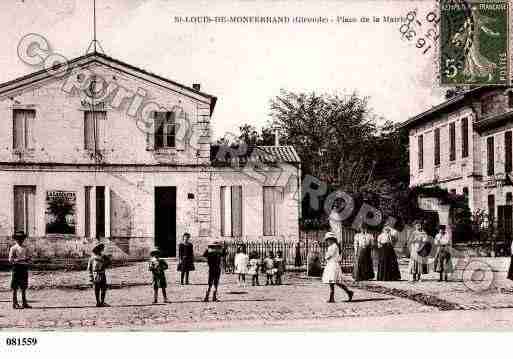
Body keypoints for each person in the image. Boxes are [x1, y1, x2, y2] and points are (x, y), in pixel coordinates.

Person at [322, 232, 354, 303]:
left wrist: (326, 256)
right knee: (333, 281)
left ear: (332, 239)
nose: (327, 241)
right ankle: (347, 293)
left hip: (333, 265)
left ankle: (335, 296)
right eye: (327, 240)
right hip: (331, 264)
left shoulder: (334, 246)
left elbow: (328, 256)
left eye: (328, 240)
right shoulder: (332, 246)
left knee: (334, 281)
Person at [8, 231, 32, 309]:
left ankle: (24, 303)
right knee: (15, 287)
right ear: (16, 239)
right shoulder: (13, 248)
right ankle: (14, 303)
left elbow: (29, 258)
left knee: (23, 286)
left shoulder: (26, 248)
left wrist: (27, 260)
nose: (20, 240)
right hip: (16, 268)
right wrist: (19, 260)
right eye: (18, 239)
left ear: (23, 239)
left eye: (21, 238)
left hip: (24, 268)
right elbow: (10, 260)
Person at [87, 243, 112, 307]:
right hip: (96, 275)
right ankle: (98, 302)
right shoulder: (92, 258)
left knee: (104, 289)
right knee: (97, 289)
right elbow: (89, 268)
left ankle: (102, 302)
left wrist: (107, 260)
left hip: (102, 274)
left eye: (101, 248)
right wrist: (91, 278)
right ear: (96, 249)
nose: (101, 249)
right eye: (99, 248)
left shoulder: (103, 256)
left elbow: (109, 263)